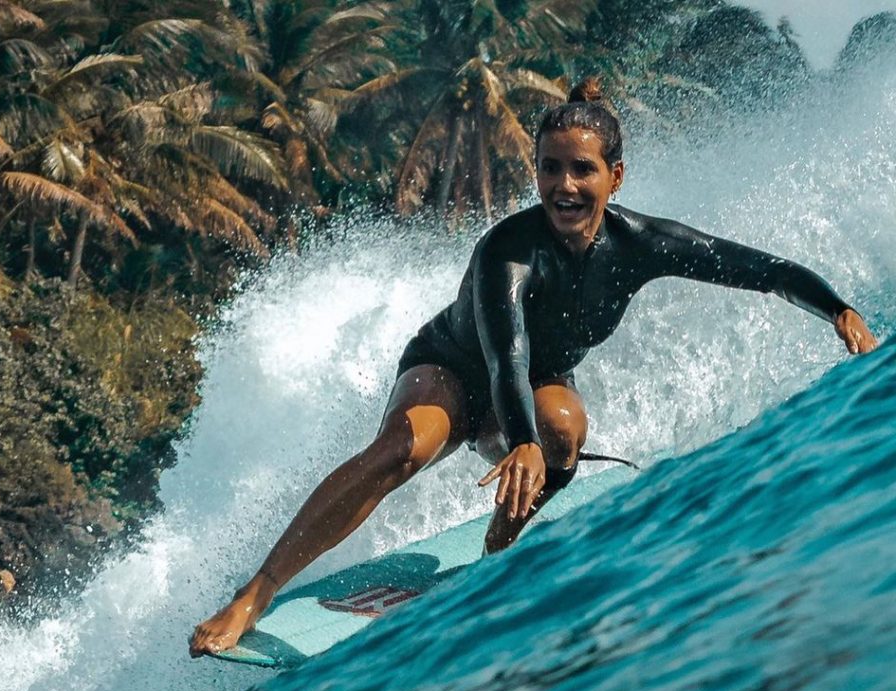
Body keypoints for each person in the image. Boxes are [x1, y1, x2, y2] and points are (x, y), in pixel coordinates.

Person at [189, 77, 878, 658]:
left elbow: (761, 270)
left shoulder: (641, 244)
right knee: (406, 447)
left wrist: (837, 310)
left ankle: (501, 541)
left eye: (582, 170)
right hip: (453, 371)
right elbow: (504, 354)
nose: (565, 185)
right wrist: (515, 439)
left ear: (615, 176)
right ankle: (256, 593)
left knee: (566, 431)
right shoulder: (507, 254)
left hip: (529, 390)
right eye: (551, 168)